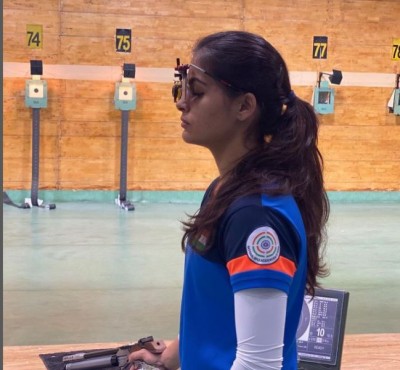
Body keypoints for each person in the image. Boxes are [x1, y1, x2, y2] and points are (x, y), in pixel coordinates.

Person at [129, 30, 329, 370]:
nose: (182, 102)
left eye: (197, 91)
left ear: (244, 106)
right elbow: (221, 314)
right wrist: (178, 353)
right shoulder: (225, 190)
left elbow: (259, 365)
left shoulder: (256, 216)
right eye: (183, 88)